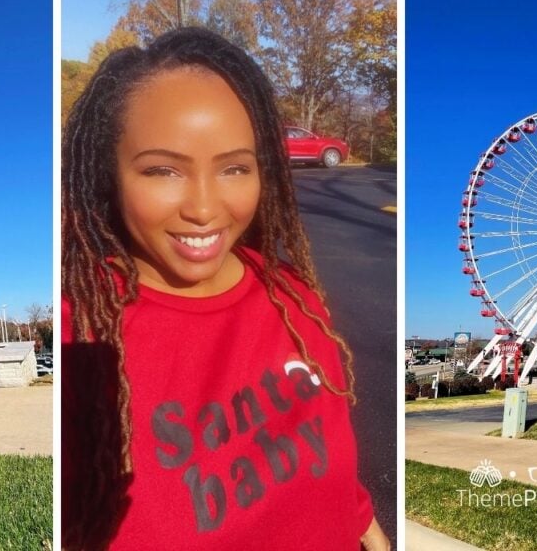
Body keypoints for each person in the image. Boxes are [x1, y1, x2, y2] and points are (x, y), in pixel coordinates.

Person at [61, 27, 388, 550]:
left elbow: (330, 450)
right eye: (163, 170)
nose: (206, 207)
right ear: (109, 176)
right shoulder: (81, 343)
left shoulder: (289, 294)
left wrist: (364, 523)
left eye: (235, 167)